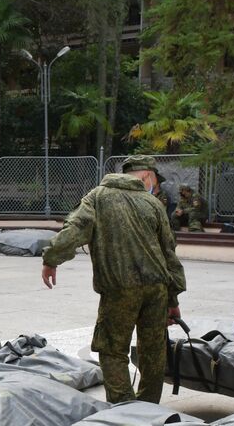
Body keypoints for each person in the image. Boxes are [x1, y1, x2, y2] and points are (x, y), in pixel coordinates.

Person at [41, 154, 186, 404]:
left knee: (112, 349)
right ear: (146, 177)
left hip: (120, 289)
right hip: (157, 289)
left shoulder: (98, 197)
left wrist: (51, 258)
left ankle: (123, 409)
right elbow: (169, 253)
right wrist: (172, 298)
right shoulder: (153, 204)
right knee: (153, 351)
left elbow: (75, 229)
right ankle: (148, 408)